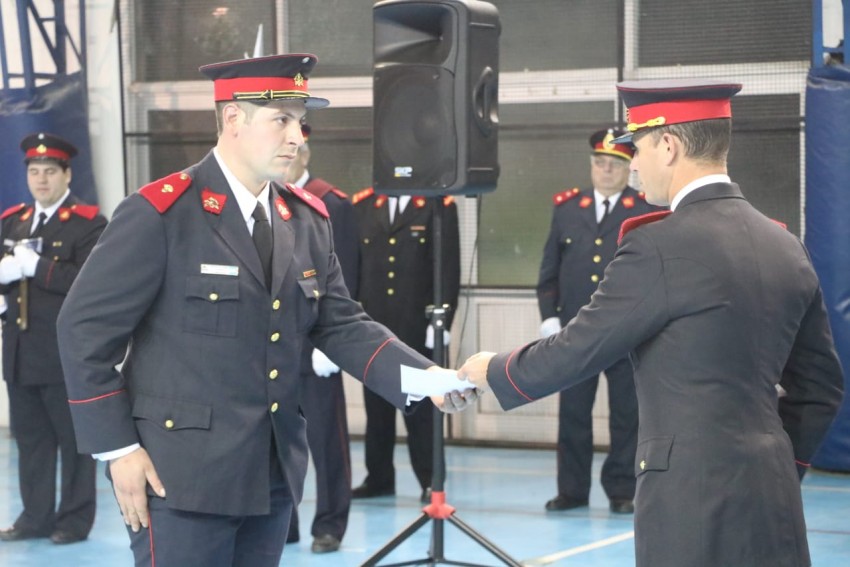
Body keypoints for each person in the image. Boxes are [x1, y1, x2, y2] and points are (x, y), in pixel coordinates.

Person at [55, 54, 476, 567]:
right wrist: (118, 449)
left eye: (300, 122)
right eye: (282, 120)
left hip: (271, 475)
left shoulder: (305, 220)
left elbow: (341, 322)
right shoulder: (163, 213)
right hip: (179, 478)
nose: (297, 136)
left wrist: (427, 377)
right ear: (233, 119)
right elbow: (83, 329)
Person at [458, 78, 844, 567]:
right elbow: (822, 387)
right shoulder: (784, 244)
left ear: (668, 145)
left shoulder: (658, 245)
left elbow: (580, 347)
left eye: (636, 148)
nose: (632, 164)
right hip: (774, 491)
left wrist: (491, 368)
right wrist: (778, 465)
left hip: (689, 497)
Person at [537, 128, 660, 514]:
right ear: (591, 166)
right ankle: (571, 491)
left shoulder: (644, 210)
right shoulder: (566, 208)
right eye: (600, 163)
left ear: (628, 169)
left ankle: (622, 490)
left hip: (626, 334)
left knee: (627, 414)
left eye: (615, 164)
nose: (606, 171)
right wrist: (549, 318)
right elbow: (549, 270)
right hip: (576, 333)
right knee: (573, 412)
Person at [0, 133, 106, 544]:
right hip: (21, 353)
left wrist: (37, 266)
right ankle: (34, 518)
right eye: (33, 171)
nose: (40, 180)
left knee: (74, 443)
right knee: (31, 443)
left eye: (49, 171)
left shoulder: (88, 223)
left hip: (65, 356)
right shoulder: (14, 221)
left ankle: (74, 521)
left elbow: (90, 282)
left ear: (67, 174)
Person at [351, 188, 460, 503]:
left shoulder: (436, 206)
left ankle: (430, 479)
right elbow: (355, 264)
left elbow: (447, 266)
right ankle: (379, 477)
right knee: (377, 408)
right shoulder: (364, 205)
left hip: (416, 324)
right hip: (374, 325)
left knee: (422, 409)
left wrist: (442, 321)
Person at [283, 123, 358, 554]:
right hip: (273, 346)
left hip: (316, 348)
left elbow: (344, 277)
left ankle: (329, 523)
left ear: (306, 156)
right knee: (276, 442)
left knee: (327, 441)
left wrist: (329, 344)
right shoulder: (266, 199)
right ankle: (284, 521)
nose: (287, 158)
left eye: (294, 151)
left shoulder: (331, 204)